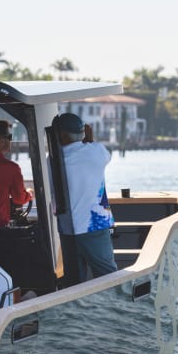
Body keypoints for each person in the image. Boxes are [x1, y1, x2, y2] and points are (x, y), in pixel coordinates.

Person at [53, 113, 117, 281]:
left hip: (68, 229)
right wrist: (90, 139)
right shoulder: (96, 151)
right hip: (95, 226)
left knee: (74, 281)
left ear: (62, 135)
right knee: (107, 277)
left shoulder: (52, 160)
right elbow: (104, 156)